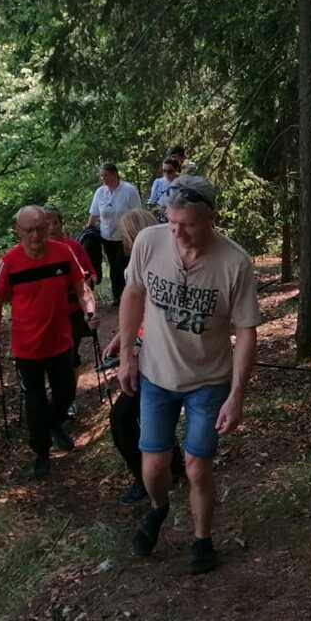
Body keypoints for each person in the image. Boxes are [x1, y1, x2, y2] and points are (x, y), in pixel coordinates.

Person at [117, 176, 262, 575]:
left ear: (210, 219)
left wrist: (237, 395)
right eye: (171, 221)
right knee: (154, 465)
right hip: (155, 374)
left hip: (208, 381)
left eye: (188, 224)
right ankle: (159, 507)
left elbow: (246, 331)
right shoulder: (149, 241)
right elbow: (133, 294)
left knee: (198, 466)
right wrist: (128, 354)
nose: (177, 233)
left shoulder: (234, 262)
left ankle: (202, 540)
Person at [0, 205, 96, 479]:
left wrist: (89, 311)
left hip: (60, 341)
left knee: (65, 394)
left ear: (48, 227)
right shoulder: (9, 262)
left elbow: (81, 288)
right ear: (18, 230)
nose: (35, 236)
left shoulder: (63, 253)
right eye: (29, 230)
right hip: (27, 348)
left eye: (40, 229)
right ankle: (42, 454)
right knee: (35, 404)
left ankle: (55, 424)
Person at [102, 207, 186, 506]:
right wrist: (121, 339)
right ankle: (173, 468)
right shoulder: (142, 262)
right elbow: (140, 310)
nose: (123, 243)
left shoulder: (162, 265)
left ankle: (146, 478)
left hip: (160, 358)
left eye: (125, 236)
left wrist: (132, 352)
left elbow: (159, 317)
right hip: (147, 352)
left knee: (122, 418)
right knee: (145, 415)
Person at [42, 205, 98, 384]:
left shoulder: (73, 246)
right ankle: (59, 389)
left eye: (55, 223)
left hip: (73, 309)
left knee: (71, 354)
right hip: (48, 313)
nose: (52, 227)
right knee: (51, 356)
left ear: (61, 224)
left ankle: (69, 393)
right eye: (47, 224)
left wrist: (88, 304)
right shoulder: (36, 250)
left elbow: (90, 274)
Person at [86, 163, 142, 305]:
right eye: (102, 176)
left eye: (106, 175)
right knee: (113, 266)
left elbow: (137, 214)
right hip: (107, 237)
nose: (103, 178)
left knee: (121, 267)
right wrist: (88, 229)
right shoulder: (100, 192)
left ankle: (129, 296)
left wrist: (135, 235)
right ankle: (118, 296)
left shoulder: (129, 190)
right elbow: (94, 213)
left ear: (115, 174)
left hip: (125, 236)